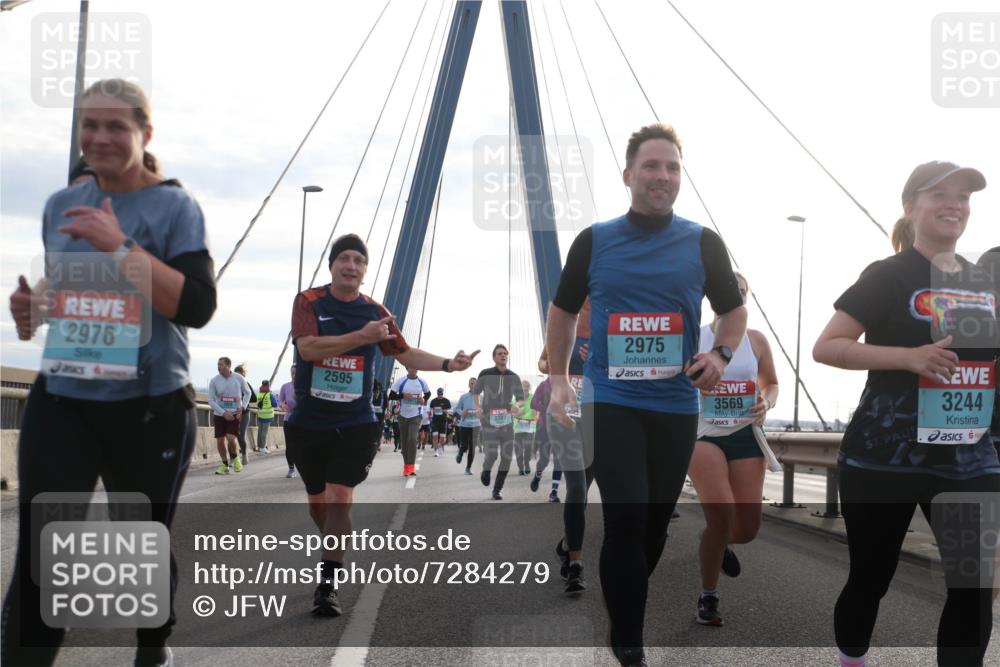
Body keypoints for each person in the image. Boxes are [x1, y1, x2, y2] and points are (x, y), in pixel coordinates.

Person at [2, 78, 216, 667]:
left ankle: (153, 647)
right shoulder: (56, 205)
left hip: (148, 407)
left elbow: (196, 305)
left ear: (145, 134)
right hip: (64, 400)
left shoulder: (175, 207)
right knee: (43, 557)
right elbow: (67, 296)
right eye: (88, 125)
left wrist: (120, 244)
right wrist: (30, 314)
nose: (99, 137)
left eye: (115, 126)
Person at [545, 123, 746, 666]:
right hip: (611, 400)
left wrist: (719, 355)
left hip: (676, 405)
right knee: (628, 519)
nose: (662, 177)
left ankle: (626, 598)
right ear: (629, 175)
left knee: (654, 528)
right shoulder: (595, 240)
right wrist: (562, 379)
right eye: (652, 167)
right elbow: (562, 311)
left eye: (672, 168)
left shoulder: (703, 242)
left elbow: (733, 311)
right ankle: (628, 644)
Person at [813, 161, 998, 667]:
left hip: (967, 460)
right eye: (940, 193)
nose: (954, 204)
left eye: (963, 196)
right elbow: (827, 347)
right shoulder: (887, 275)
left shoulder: (988, 281)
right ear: (911, 206)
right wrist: (909, 357)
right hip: (883, 458)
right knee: (871, 578)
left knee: (974, 587)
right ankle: (852, 658)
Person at [286, 233, 477, 616]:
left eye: (359, 260)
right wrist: (360, 337)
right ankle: (333, 547)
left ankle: (328, 584)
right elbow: (307, 347)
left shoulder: (375, 311)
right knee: (318, 502)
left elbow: (403, 352)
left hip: (355, 423)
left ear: (365, 270)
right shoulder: (308, 302)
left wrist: (448, 364)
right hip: (310, 423)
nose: (351, 266)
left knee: (341, 497)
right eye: (345, 259)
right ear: (332, 264)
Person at [687, 272, 779, 626]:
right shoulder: (696, 337)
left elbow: (771, 383)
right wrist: (696, 387)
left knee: (746, 529)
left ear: (747, 297)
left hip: (745, 433)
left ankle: (712, 540)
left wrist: (766, 403)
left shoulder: (756, 340)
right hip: (704, 433)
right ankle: (708, 595)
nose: (736, 296)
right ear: (713, 296)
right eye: (730, 290)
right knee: (722, 512)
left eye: (742, 291)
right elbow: (675, 380)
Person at [473, 344, 525, 500]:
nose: (503, 356)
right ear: (494, 357)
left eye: (505, 353)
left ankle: (497, 489)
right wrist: (478, 408)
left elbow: (521, 398)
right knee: (492, 454)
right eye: (500, 353)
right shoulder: (485, 373)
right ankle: (486, 469)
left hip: (507, 419)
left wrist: (517, 405)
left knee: (507, 456)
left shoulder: (514, 376)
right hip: (489, 419)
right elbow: (475, 392)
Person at [208, 356, 250, 474]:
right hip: (219, 414)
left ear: (228, 366)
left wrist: (243, 407)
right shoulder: (214, 381)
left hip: (235, 413)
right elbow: (210, 400)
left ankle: (236, 459)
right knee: (220, 440)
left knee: (231, 438)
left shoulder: (239, 378)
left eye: (220, 364)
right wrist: (223, 413)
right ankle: (225, 465)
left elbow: (248, 393)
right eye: (218, 364)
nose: (218, 366)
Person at [389, 368, 430, 476]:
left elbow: (428, 393)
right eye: (412, 367)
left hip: (416, 415)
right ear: (407, 368)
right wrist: (402, 396)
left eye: (416, 367)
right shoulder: (401, 381)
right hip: (403, 415)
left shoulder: (422, 381)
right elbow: (391, 396)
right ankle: (406, 466)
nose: (414, 369)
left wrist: (424, 400)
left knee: (412, 438)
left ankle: (411, 467)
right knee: (404, 442)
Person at [453, 377, 481, 474]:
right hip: (464, 425)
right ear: (469, 385)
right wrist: (462, 413)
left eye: (475, 383)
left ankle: (468, 468)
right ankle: (461, 451)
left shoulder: (481, 397)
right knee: (464, 446)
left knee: (472, 448)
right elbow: (457, 409)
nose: (473, 385)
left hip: (476, 425)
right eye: (471, 383)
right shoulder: (463, 397)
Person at [278, 364, 298, 478]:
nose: (294, 375)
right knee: (290, 446)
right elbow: (280, 401)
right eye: (293, 373)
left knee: (302, 446)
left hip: (303, 421)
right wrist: (283, 405)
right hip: (289, 419)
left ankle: (305, 467)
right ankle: (291, 468)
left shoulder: (306, 386)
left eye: (296, 373)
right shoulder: (285, 386)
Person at [512, 380, 537, 474]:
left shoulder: (533, 398)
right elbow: (512, 412)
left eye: (527, 386)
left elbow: (537, 410)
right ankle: (520, 468)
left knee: (528, 446)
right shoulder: (516, 399)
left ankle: (526, 463)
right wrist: (517, 413)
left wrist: (536, 412)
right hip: (518, 426)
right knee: (518, 448)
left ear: (529, 388)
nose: (525, 388)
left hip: (530, 426)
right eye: (523, 386)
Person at [233, 362, 255, 464]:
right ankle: (233, 458)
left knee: (240, 435)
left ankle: (244, 454)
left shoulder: (246, 384)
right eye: (236, 374)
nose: (238, 376)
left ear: (243, 374)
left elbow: (253, 398)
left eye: (240, 374)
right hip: (232, 412)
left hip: (244, 413)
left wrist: (243, 399)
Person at [255, 379, 279, 455]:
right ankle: (263, 448)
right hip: (267, 416)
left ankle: (259, 447)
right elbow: (275, 404)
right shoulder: (269, 394)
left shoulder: (259, 394)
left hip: (260, 415)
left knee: (260, 431)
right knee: (264, 433)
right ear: (268, 385)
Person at [430, 388, 452, 457]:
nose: (440, 394)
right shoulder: (433, 401)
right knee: (435, 436)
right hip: (435, 421)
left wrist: (445, 411)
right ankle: (436, 451)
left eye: (441, 393)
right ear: (437, 393)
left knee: (442, 438)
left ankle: (440, 446)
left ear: (442, 393)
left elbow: (449, 408)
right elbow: (430, 409)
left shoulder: (446, 401)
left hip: (443, 421)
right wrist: (430, 415)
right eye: (439, 393)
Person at [371, 378, 388, 448]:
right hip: (378, 414)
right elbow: (386, 404)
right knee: (378, 428)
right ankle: (375, 442)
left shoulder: (372, 392)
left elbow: (386, 404)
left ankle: (377, 443)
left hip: (376, 414)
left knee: (377, 428)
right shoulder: (383, 393)